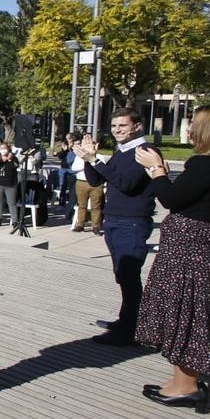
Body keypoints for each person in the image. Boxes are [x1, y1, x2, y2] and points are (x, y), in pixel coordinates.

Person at [133, 104, 210, 411]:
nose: (191, 129)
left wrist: (156, 168)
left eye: (196, 124)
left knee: (186, 312)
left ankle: (186, 386)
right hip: (200, 245)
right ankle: (181, 380)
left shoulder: (208, 164)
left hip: (189, 249)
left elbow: (171, 198)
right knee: (186, 310)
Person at [73, 107, 159, 346]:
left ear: (137, 126)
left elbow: (127, 183)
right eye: (114, 126)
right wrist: (89, 159)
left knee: (130, 277)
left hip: (132, 221)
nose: (117, 130)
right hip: (115, 220)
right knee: (122, 275)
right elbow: (96, 180)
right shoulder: (123, 151)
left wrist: (95, 160)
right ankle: (127, 320)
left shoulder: (145, 151)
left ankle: (130, 330)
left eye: (122, 125)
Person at [70, 134, 105, 233]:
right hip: (81, 182)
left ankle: (96, 226)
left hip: (96, 184)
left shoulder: (100, 156)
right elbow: (74, 168)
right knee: (82, 205)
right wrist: (86, 162)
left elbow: (101, 169)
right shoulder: (79, 157)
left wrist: (91, 160)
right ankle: (80, 224)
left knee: (96, 206)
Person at [0, 143, 19, 227]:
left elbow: (16, 166)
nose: (3, 150)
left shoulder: (13, 158)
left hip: (10, 184)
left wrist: (10, 160)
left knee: (11, 203)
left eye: (4, 148)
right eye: (1, 148)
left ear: (8, 149)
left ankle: (15, 220)